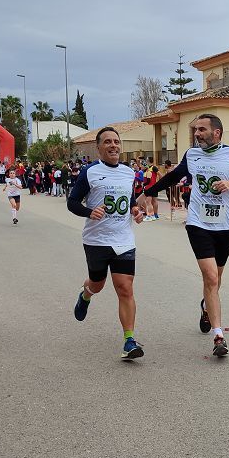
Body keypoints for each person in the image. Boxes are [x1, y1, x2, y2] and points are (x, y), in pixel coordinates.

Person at [136, 113, 229, 357]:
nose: (196, 134)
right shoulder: (191, 155)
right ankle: (219, 336)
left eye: (202, 129)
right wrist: (145, 192)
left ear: (217, 133)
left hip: (226, 226)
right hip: (198, 223)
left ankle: (206, 307)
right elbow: (172, 177)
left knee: (216, 279)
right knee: (211, 277)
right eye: (195, 130)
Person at [69, 126, 146, 361]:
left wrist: (135, 210)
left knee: (125, 288)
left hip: (123, 239)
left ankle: (129, 340)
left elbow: (130, 199)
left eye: (116, 142)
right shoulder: (89, 172)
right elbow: (72, 202)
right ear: (99, 147)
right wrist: (89, 211)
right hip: (96, 240)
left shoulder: (127, 172)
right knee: (98, 283)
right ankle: (86, 295)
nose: (113, 146)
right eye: (108, 142)